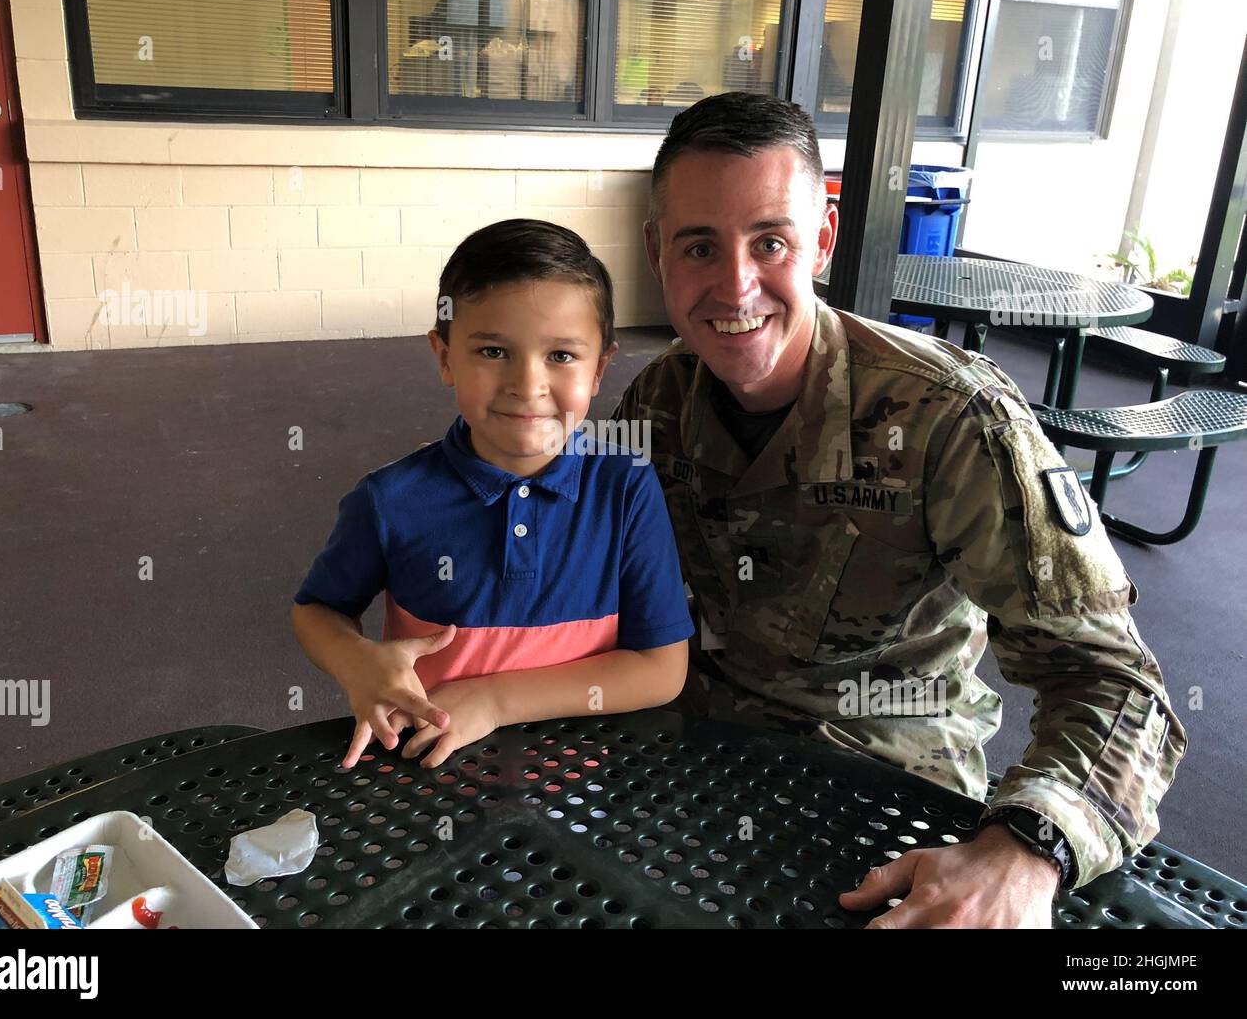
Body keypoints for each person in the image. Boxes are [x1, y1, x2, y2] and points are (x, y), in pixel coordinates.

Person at [611, 92, 1186, 928]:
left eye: (770, 240)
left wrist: (1027, 848)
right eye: (701, 245)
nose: (736, 284)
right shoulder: (658, 398)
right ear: (658, 252)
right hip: (697, 757)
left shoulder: (950, 418)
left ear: (822, 240)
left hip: (884, 788)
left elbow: (1115, 680)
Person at [292, 219, 692, 771]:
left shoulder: (625, 488)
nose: (528, 385)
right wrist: (355, 660)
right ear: (445, 356)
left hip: (593, 785)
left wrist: (496, 700)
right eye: (494, 352)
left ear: (600, 369)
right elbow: (317, 610)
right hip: (431, 771)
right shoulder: (391, 499)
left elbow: (662, 669)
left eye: (561, 356)